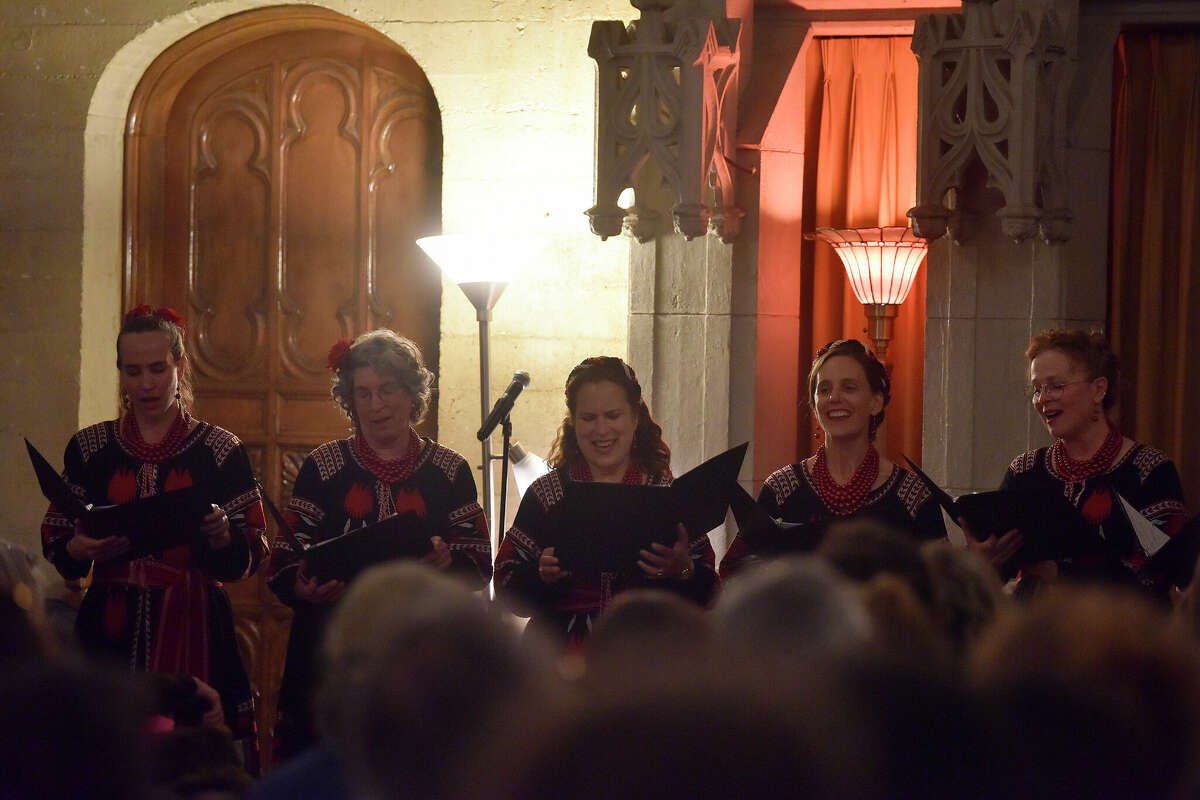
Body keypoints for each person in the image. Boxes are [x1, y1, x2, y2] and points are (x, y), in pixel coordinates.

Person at [39, 305, 268, 755]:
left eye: (159, 369)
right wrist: (78, 548)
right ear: (121, 372)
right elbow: (56, 535)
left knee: (190, 758)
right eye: (134, 370)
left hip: (193, 620)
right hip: (108, 626)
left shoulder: (220, 450)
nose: (146, 383)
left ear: (181, 366)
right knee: (103, 753)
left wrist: (224, 537)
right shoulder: (91, 447)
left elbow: (255, 549)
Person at [265, 330, 492, 759]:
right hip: (334, 650)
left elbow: (481, 564)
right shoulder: (323, 467)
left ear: (412, 393)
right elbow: (281, 563)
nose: (375, 405)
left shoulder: (449, 470)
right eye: (363, 394)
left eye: (387, 390)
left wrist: (445, 564)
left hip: (424, 656)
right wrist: (301, 585)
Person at [493, 356, 718, 649]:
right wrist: (540, 576)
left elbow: (712, 592)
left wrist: (683, 570)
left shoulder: (668, 495)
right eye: (588, 418)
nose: (601, 430)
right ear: (573, 422)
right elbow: (505, 585)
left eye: (613, 416)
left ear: (635, 418)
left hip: (651, 661)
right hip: (561, 661)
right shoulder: (546, 495)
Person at [972, 329, 1189, 596]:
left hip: (1121, 633)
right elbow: (998, 575)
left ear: (1099, 389)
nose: (1042, 399)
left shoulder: (1149, 471)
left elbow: (1161, 575)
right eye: (1036, 389)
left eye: (1056, 386)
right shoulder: (1025, 471)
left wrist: (1060, 574)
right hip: (1032, 631)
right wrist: (983, 562)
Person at [721, 339, 946, 577]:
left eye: (849, 387)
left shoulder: (912, 495)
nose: (834, 398)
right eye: (824, 389)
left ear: (875, 402)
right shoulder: (781, 489)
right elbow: (733, 571)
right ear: (813, 404)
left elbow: (945, 586)